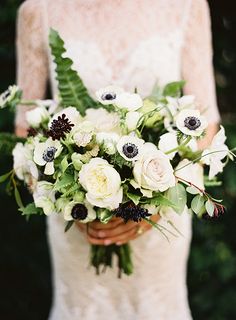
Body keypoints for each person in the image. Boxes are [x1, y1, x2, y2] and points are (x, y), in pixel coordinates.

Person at [15, 0, 220, 319]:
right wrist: (72, 200)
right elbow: (26, 126)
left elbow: (206, 124)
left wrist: (151, 206)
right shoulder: (38, 10)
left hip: (162, 217)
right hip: (75, 218)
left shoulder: (187, 7)